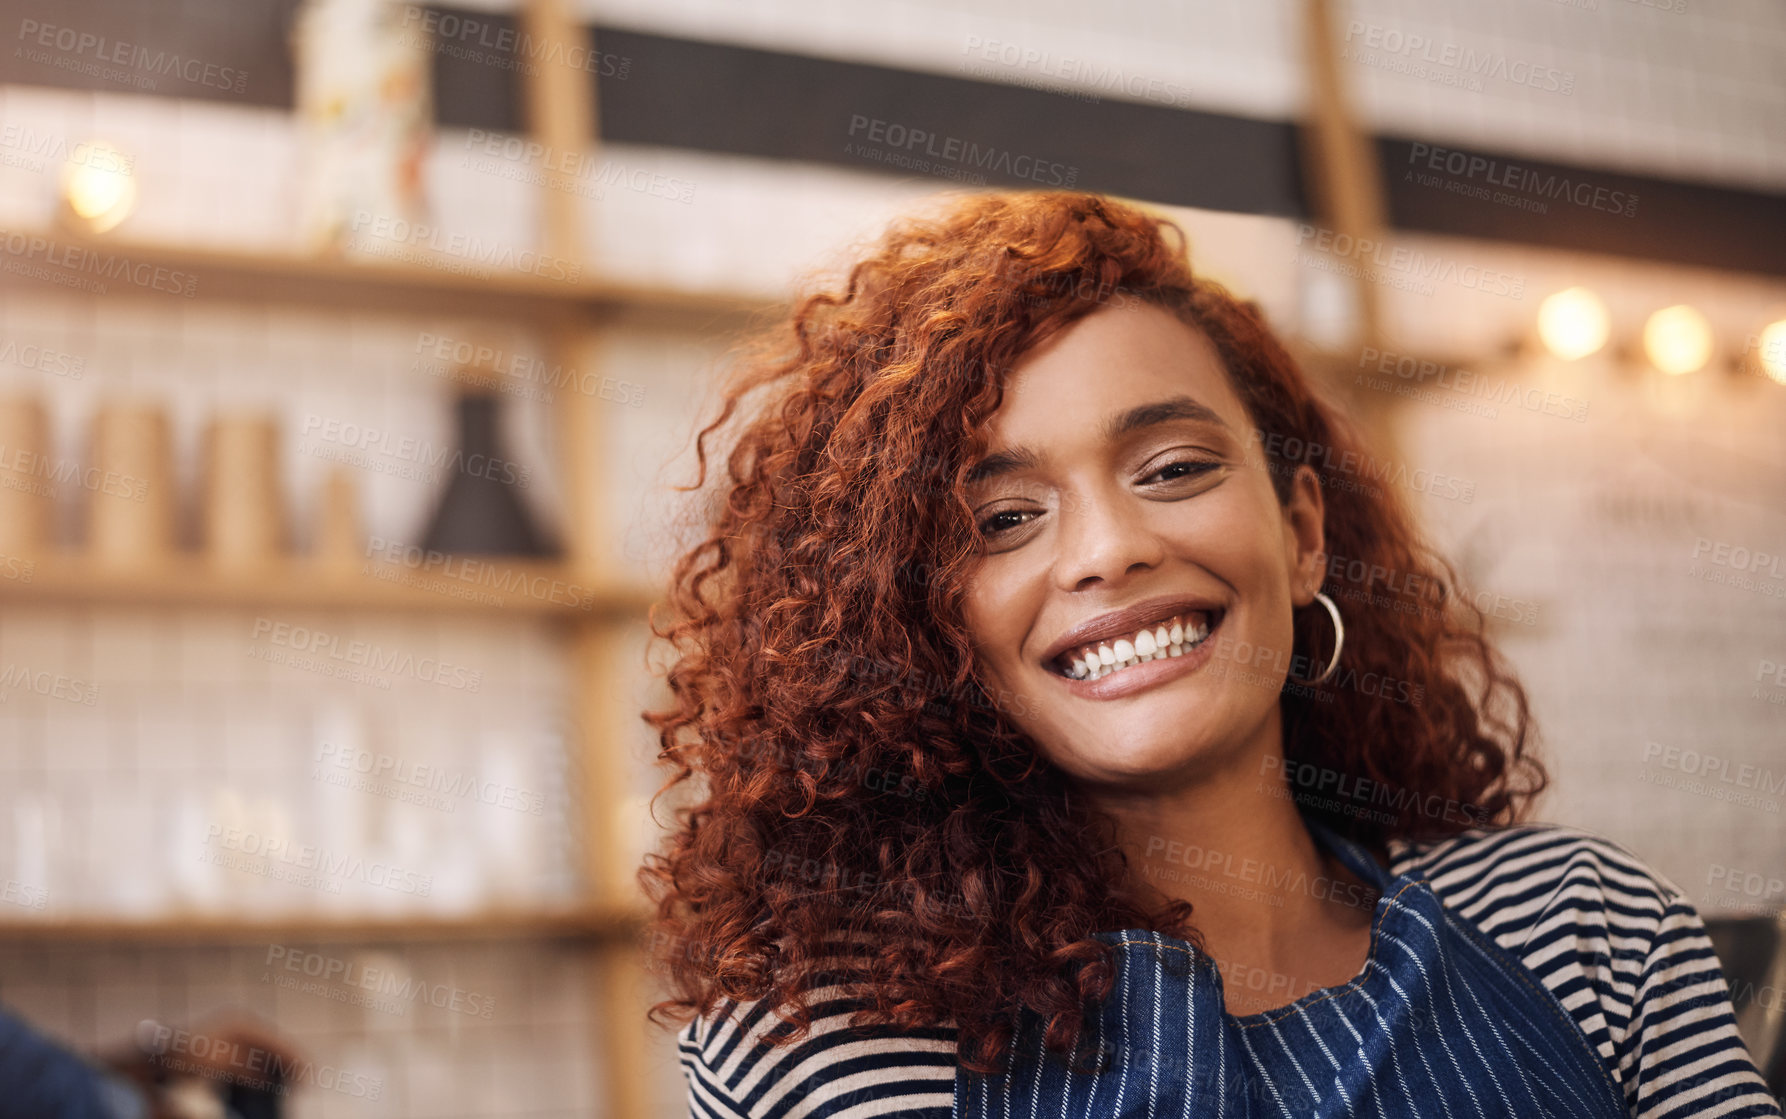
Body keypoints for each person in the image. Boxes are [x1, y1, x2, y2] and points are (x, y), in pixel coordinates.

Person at [641, 190, 1780, 1117]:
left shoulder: (1582, 929)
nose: (1111, 550)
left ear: (1300, 535)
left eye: (1174, 469)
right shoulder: (832, 1047)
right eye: (1000, 521)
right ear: (924, 626)